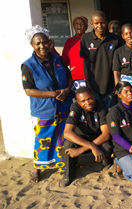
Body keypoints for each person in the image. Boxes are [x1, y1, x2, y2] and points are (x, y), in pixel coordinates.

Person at [22, 25, 73, 183]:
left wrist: (66, 90)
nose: (42, 46)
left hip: (63, 106)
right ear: (32, 45)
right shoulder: (28, 66)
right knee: (43, 139)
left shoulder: (58, 60)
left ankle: (62, 165)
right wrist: (52, 94)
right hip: (43, 109)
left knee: (62, 137)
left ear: (50, 43)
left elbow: (70, 78)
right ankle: (37, 168)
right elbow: (29, 90)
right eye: (37, 43)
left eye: (44, 42)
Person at [60, 87, 113, 187]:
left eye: (89, 98)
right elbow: (67, 133)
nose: (87, 102)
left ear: (93, 96)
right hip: (82, 139)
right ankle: (68, 174)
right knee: (68, 144)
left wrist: (81, 150)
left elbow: (106, 134)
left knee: (107, 146)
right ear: (78, 102)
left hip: (97, 139)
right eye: (83, 101)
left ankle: (106, 162)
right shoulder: (75, 107)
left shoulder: (101, 106)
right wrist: (91, 147)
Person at [80, 11, 121, 108]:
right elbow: (85, 61)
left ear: (107, 22)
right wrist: (87, 82)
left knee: (110, 115)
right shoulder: (85, 38)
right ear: (91, 24)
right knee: (97, 116)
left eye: (102, 22)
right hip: (93, 86)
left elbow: (118, 64)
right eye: (96, 23)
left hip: (110, 86)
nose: (100, 25)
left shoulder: (115, 39)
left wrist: (117, 84)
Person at [62, 16, 88, 92]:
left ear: (86, 27)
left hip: (90, 77)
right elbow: (64, 61)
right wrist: (52, 50)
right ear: (73, 26)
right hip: (75, 79)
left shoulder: (90, 40)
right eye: (76, 23)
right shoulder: (69, 42)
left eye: (82, 24)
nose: (79, 26)